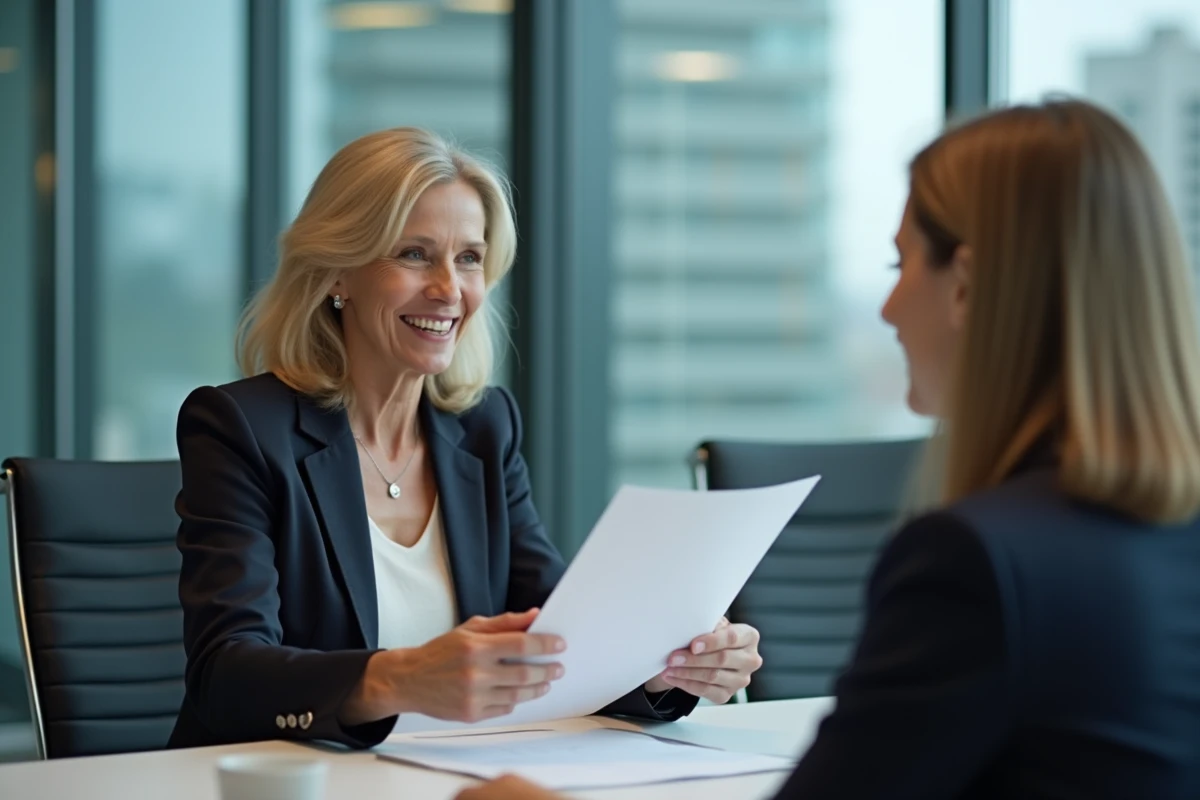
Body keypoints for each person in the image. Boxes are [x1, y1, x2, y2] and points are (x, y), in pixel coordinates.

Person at [455, 99, 1200, 799]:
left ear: (966, 287)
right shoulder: (1171, 531)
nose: (888, 306)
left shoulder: (978, 563)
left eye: (900, 264)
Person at [168, 127, 764, 750]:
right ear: (338, 272)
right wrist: (403, 677)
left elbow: (562, 642)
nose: (449, 290)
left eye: (469, 258)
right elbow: (225, 674)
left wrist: (668, 668)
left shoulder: (484, 430)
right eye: (414, 254)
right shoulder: (241, 428)